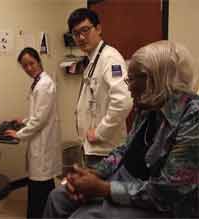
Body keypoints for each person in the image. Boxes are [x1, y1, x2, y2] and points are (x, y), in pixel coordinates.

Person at [43, 40, 199, 218]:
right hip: (123, 178)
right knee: (58, 197)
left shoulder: (193, 116)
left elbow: (167, 193)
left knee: (83, 217)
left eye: (132, 79)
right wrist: (94, 172)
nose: (128, 86)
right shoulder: (149, 106)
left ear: (157, 78)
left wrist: (104, 189)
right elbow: (125, 150)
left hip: (159, 200)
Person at [68, 8, 132, 167]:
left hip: (105, 151)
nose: (81, 37)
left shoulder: (110, 58)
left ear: (98, 29)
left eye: (85, 30)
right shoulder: (94, 59)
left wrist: (99, 132)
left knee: (99, 191)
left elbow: (124, 101)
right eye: (76, 34)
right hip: (94, 148)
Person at [5, 47, 62, 218]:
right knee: (43, 185)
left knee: (40, 186)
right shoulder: (39, 82)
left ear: (38, 61)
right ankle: (50, 213)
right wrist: (24, 121)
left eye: (31, 63)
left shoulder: (44, 84)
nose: (29, 68)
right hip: (40, 139)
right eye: (25, 66)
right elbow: (38, 115)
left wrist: (19, 134)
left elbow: (39, 120)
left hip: (42, 142)